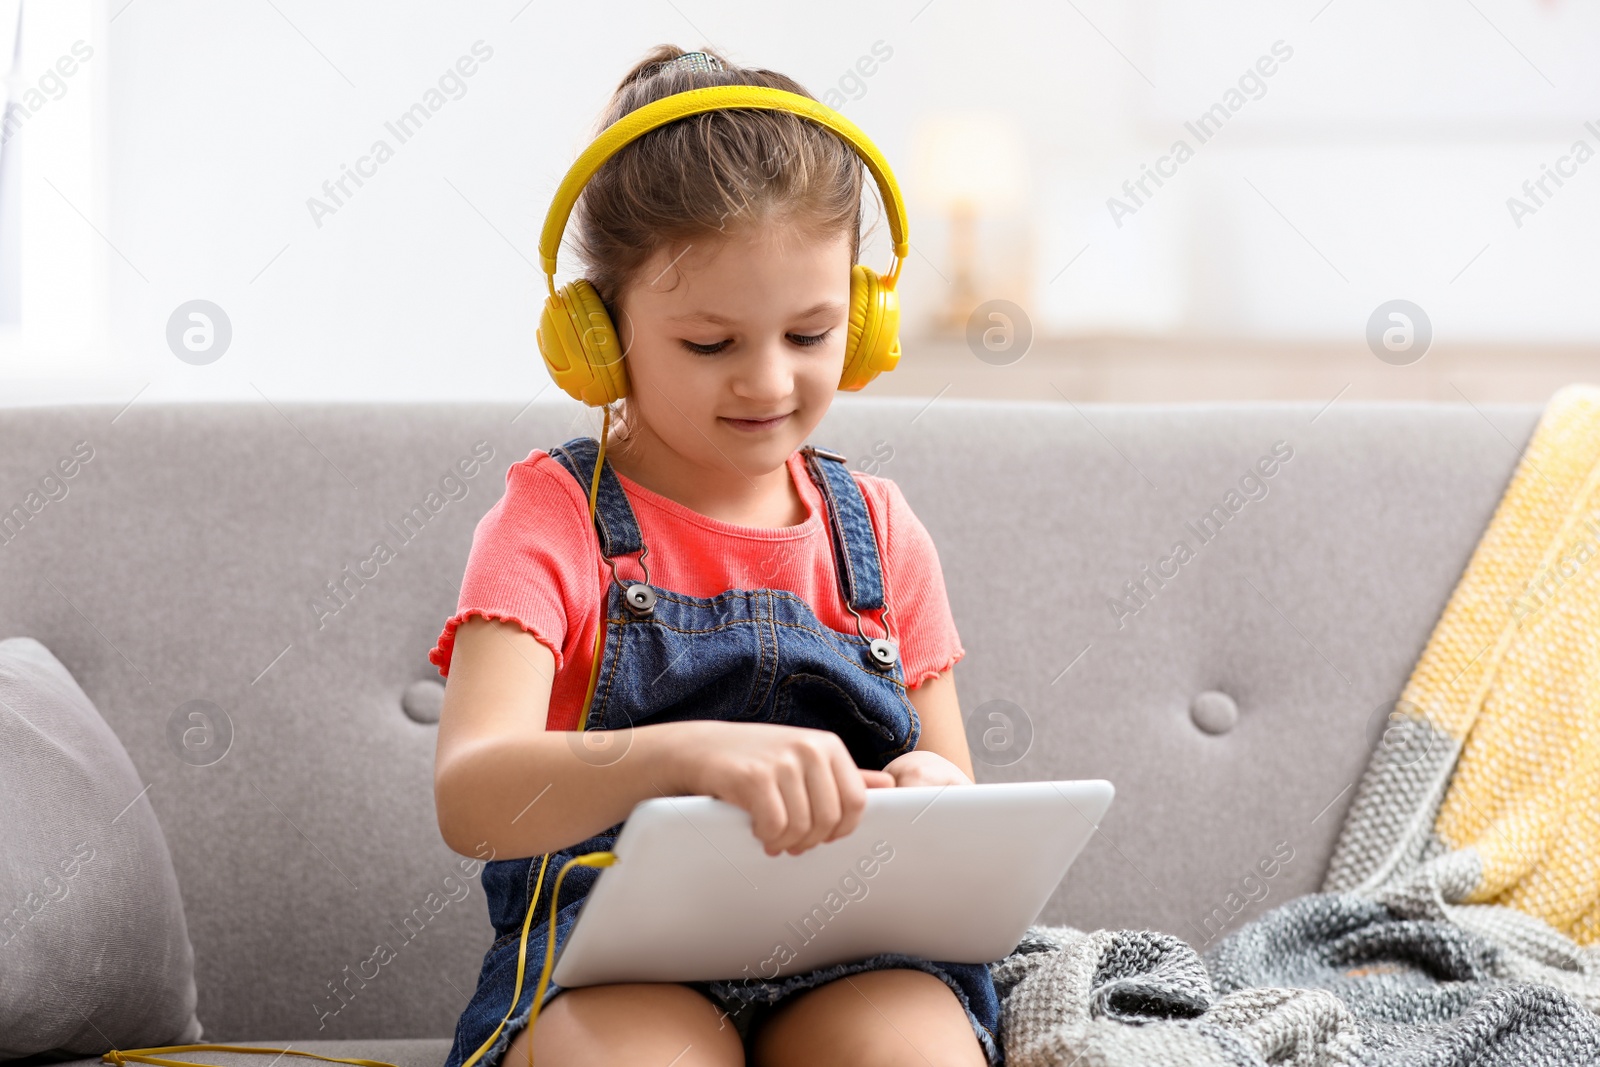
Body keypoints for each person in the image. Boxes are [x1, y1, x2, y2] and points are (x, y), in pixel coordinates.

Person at [430, 44, 1002, 1067]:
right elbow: (472, 796)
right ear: (599, 334)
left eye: (811, 332)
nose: (767, 381)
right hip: (611, 965)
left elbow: (953, 775)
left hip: (852, 949)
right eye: (710, 343)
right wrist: (687, 754)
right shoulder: (553, 516)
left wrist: (930, 787)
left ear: (864, 323)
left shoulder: (878, 527)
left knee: (912, 1045)